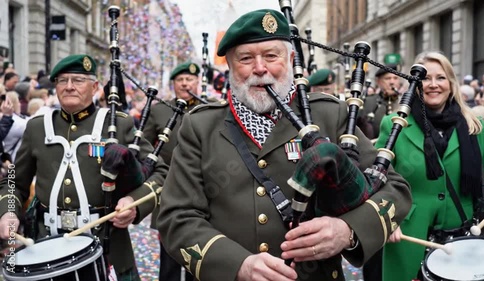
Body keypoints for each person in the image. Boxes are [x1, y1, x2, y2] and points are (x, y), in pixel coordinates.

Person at [157, 9, 411, 281]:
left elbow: (395, 190)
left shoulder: (329, 115)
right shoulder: (200, 126)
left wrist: (347, 231)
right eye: (245, 59)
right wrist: (236, 265)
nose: (260, 68)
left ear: (290, 59)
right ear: (230, 66)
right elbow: (176, 216)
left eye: (271, 55)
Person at [0, 54, 168, 281]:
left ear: (95, 87)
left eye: (78, 80)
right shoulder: (37, 128)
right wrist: (8, 211)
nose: (69, 87)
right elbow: (13, 181)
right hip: (45, 246)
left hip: (108, 249)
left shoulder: (119, 124)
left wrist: (134, 204)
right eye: (62, 80)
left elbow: (160, 173)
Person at [376, 51, 484, 281]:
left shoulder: (476, 125)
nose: (433, 85)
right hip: (408, 238)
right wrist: (386, 219)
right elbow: (376, 179)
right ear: (415, 83)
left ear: (451, 84)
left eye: (441, 78)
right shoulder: (394, 124)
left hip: (463, 239)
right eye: (425, 78)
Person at [143, 61, 202, 281]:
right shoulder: (159, 110)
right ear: (173, 84)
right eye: (180, 80)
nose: (185, 83)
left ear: (197, 82)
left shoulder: (210, 108)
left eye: (189, 79)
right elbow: (145, 148)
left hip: (204, 190)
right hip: (168, 191)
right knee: (169, 257)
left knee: (200, 256)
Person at [362, 64, 401, 139]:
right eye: (388, 78)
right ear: (379, 82)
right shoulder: (368, 102)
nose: (392, 82)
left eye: (395, 78)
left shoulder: (405, 104)